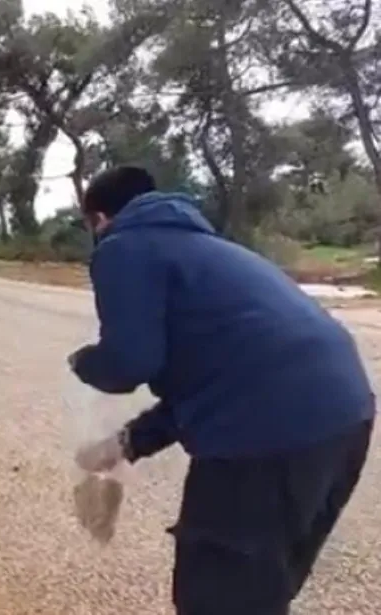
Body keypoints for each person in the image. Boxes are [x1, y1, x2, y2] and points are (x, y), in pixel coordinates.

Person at [68, 165, 376, 615]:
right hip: (346, 419)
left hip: (268, 431)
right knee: (260, 591)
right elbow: (216, 378)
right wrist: (125, 444)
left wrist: (85, 362)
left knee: (216, 596)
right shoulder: (210, 249)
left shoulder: (122, 246)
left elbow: (130, 362)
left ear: (98, 219)